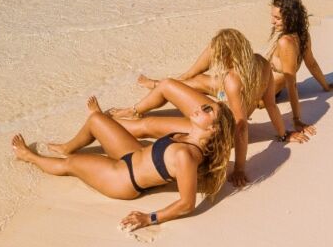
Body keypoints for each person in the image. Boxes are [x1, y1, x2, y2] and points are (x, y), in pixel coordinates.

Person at [10, 83, 235, 232]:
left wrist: (150, 218)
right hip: (132, 154)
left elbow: (187, 204)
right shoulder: (187, 132)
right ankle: (69, 146)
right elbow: (148, 128)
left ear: (214, 129)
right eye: (205, 106)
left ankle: (29, 157)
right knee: (96, 120)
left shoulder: (187, 156)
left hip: (123, 179)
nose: (200, 109)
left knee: (70, 165)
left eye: (208, 112)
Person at [111, 28, 308, 187]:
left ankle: (107, 126)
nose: (217, 59)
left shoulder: (232, 80)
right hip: (219, 114)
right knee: (168, 85)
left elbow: (241, 126)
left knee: (149, 126)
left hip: (216, 128)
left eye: (220, 55)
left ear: (230, 55)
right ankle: (135, 109)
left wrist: (239, 167)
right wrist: (284, 134)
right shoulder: (262, 65)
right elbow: (271, 105)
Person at [266, 0, 333, 133]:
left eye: (277, 18)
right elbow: (312, 64)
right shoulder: (302, 35)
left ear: (290, 18)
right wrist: (326, 86)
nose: (272, 22)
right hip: (271, 90)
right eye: (273, 16)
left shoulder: (285, 42)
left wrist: (296, 120)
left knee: (219, 87)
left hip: (261, 95)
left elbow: (291, 84)